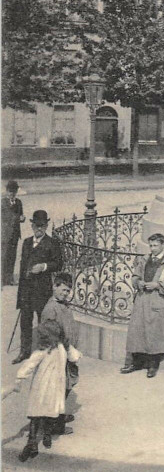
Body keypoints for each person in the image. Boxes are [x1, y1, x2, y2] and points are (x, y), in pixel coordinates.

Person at [13, 319, 81, 462]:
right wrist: (73, 353)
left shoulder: (44, 350)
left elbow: (29, 365)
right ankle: (45, 437)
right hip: (53, 388)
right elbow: (74, 357)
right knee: (49, 413)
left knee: (36, 415)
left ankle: (32, 442)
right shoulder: (61, 348)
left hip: (42, 388)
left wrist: (20, 378)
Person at [120, 233, 164, 378]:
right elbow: (135, 275)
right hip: (141, 299)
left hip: (157, 301)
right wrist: (138, 282)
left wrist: (157, 285)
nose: (153, 249)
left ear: (163, 245)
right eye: (151, 245)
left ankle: (153, 365)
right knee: (137, 330)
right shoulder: (144, 259)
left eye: (156, 245)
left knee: (154, 332)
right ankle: (136, 362)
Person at [13, 210, 62, 364]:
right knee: (25, 322)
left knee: (43, 322)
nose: (39, 228)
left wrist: (44, 266)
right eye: (36, 225)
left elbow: (59, 263)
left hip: (42, 290)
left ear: (46, 226)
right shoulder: (27, 242)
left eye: (42, 225)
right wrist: (20, 292)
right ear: (32, 225)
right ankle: (24, 352)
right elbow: (22, 268)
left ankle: (43, 352)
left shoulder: (52, 243)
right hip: (27, 290)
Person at [41, 272, 79, 432]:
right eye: (63, 290)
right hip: (58, 355)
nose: (66, 293)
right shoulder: (51, 309)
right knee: (60, 388)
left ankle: (57, 415)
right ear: (54, 287)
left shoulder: (62, 305)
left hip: (67, 353)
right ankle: (55, 423)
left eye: (68, 291)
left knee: (68, 383)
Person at [1, 179, 25, 286]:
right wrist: (18, 218)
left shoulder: (19, 202)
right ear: (6, 191)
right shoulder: (2, 203)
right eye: (10, 191)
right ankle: (2, 279)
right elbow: (5, 217)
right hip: (5, 235)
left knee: (12, 257)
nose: (12, 194)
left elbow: (21, 215)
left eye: (14, 191)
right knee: (4, 256)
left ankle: (9, 278)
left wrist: (22, 218)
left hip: (15, 234)